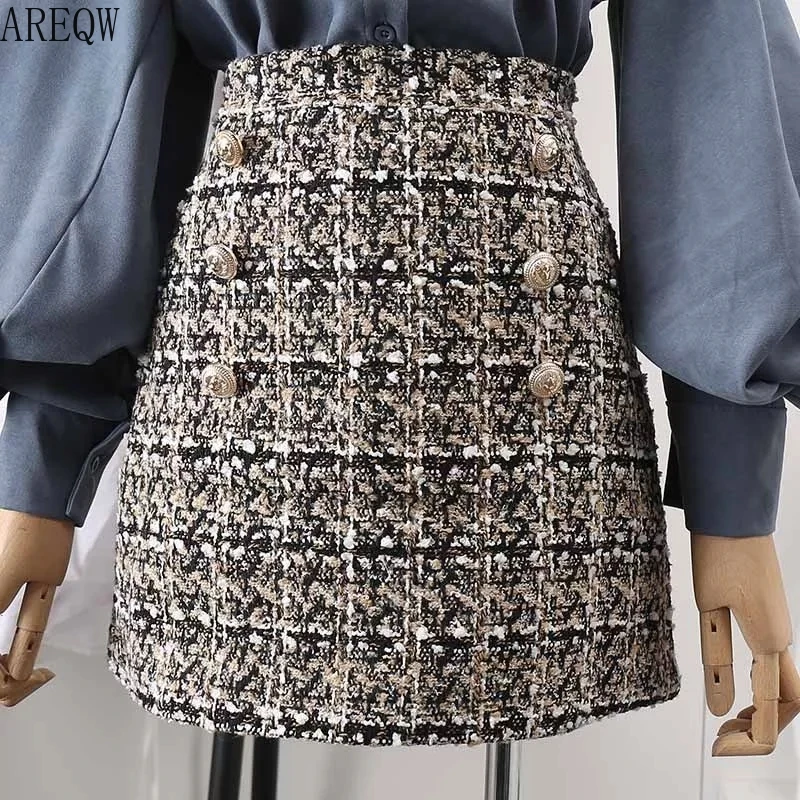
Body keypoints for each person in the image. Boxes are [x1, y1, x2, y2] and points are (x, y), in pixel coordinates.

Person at [0, 0, 797, 746]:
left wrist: (732, 500)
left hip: (531, 385)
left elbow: (711, 70)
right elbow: (89, 85)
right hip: (245, 376)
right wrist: (42, 462)